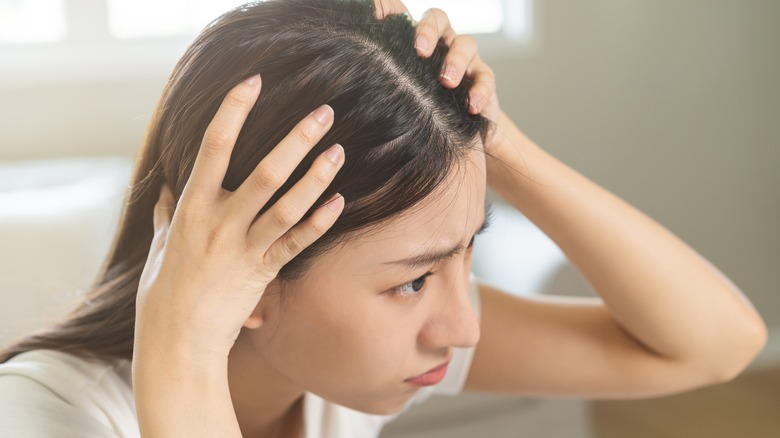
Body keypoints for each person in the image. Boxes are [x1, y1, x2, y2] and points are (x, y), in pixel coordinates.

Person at [0, 0, 768, 436]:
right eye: (412, 282)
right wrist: (182, 354)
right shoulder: (42, 417)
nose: (460, 327)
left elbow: (714, 346)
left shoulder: (330, 363)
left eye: (467, 253)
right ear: (253, 286)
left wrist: (498, 141)